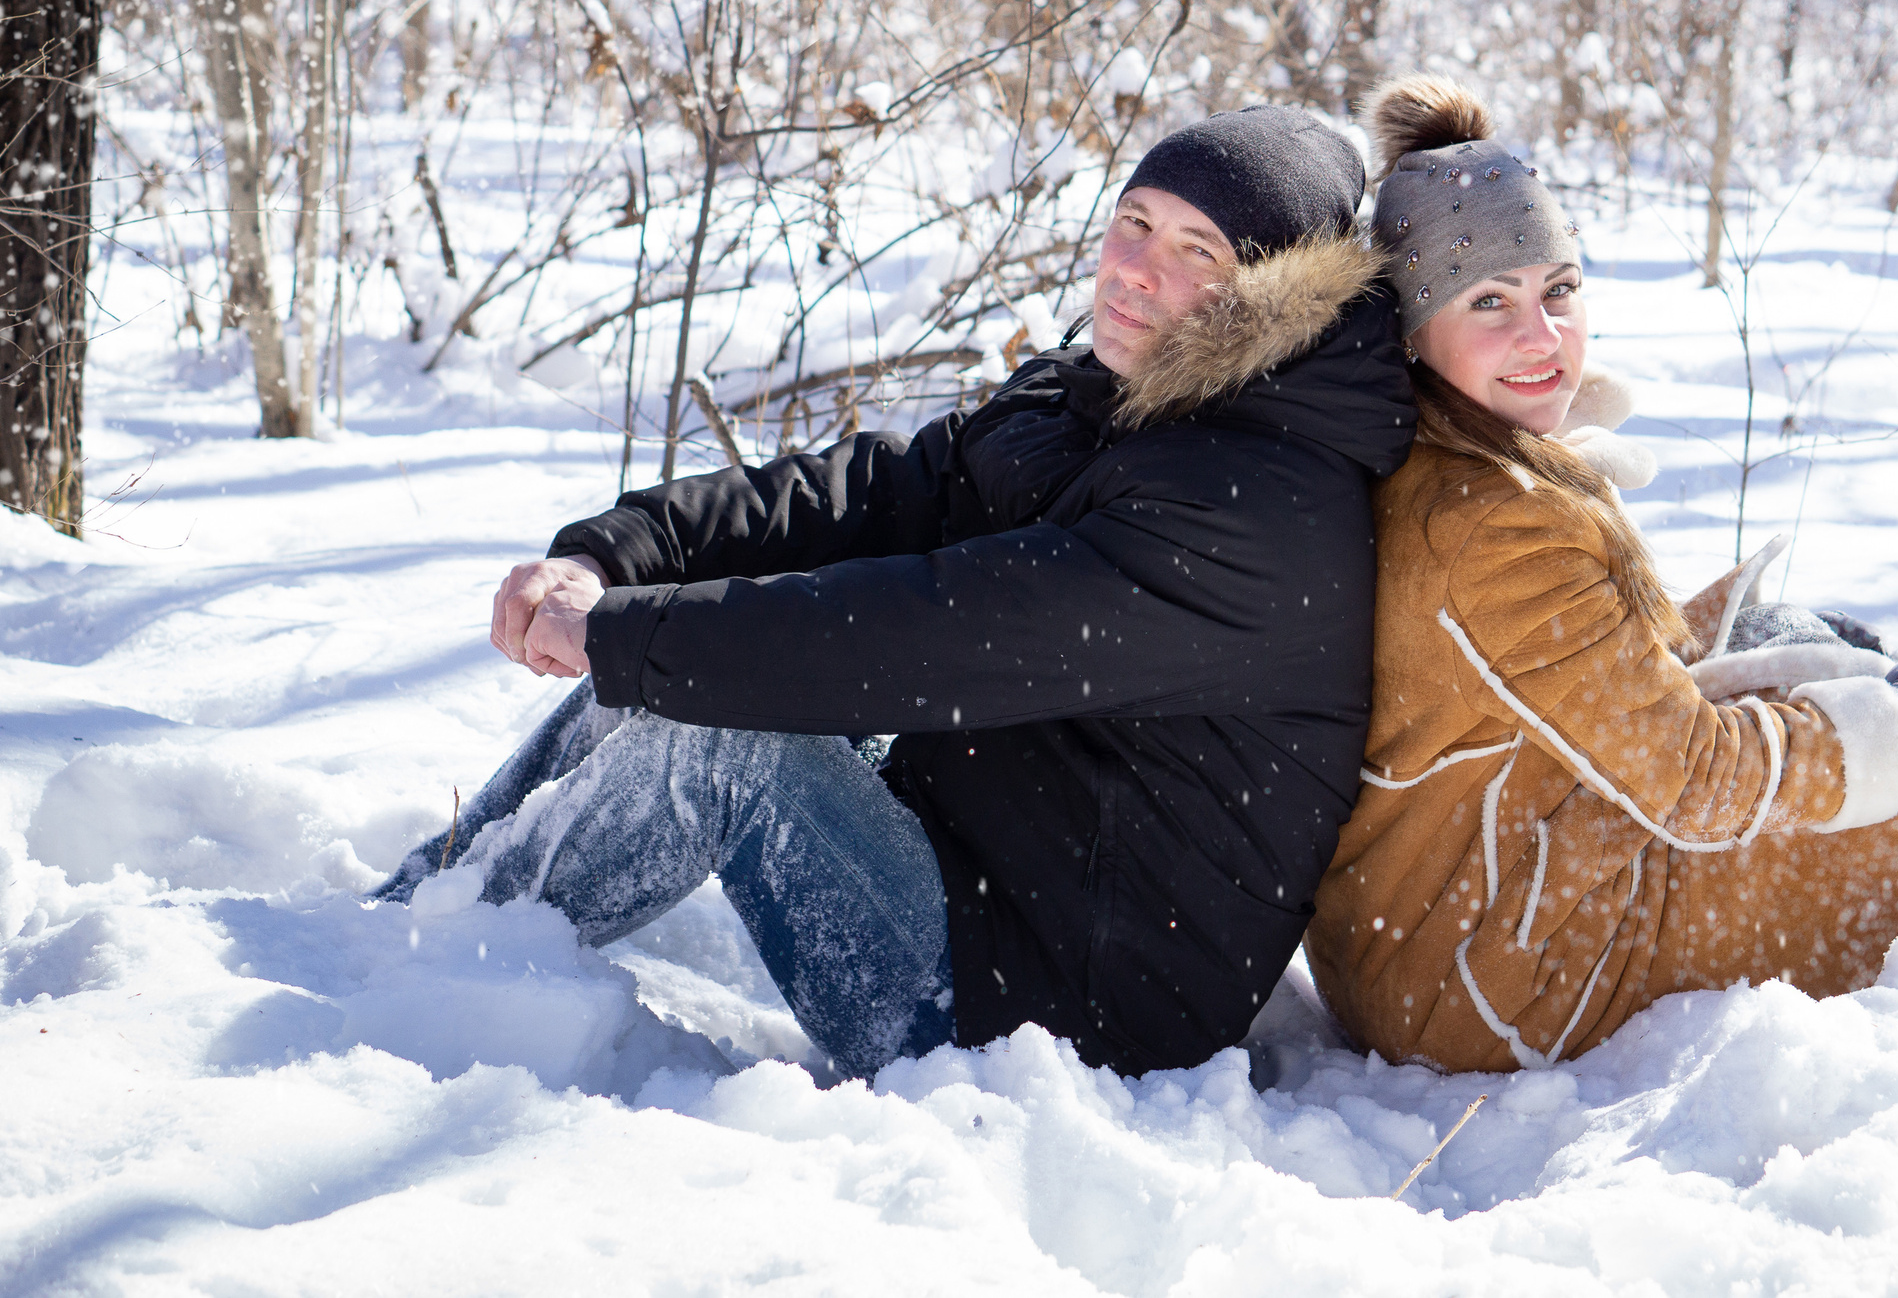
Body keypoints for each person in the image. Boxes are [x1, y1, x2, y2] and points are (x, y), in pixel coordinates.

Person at [375, 106, 1416, 1081]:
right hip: (982, 859)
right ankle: (416, 907)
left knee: (719, 720)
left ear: (1275, 302)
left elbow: (925, 634)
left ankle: (432, 961)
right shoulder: (1100, 396)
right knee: (669, 660)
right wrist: (615, 555)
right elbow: (876, 493)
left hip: (1052, 1020)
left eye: (1199, 252)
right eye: (1134, 222)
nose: (1135, 270)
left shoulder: (1257, 512)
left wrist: (622, 638)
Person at [1305, 77, 1898, 1075]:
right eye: (1488, 303)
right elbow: (1693, 782)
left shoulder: (1445, 456)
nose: (1541, 337)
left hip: (1428, 913)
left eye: (1557, 291)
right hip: (1501, 979)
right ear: (1411, 333)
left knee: (1810, 644)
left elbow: (1573, 677)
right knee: (1871, 748)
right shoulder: (1492, 523)